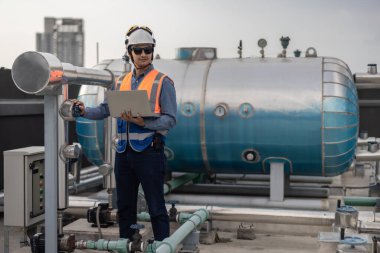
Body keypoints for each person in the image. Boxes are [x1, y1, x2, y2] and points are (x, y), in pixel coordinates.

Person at [72, 25, 177, 241]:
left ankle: (162, 246)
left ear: (152, 50)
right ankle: (127, 245)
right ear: (129, 52)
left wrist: (143, 122)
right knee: (125, 208)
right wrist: (84, 110)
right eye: (138, 50)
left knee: (156, 207)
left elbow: (170, 119)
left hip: (149, 153)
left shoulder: (162, 82)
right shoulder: (121, 82)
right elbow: (104, 110)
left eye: (147, 50)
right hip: (123, 154)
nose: (143, 55)